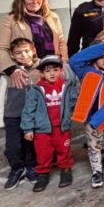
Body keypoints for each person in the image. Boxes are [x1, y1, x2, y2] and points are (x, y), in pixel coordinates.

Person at [69, 41, 104, 189]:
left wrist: (97, 119)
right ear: (94, 58)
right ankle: (97, 172)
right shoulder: (86, 71)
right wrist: (102, 47)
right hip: (90, 121)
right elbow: (74, 60)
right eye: (101, 57)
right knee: (93, 147)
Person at [21, 55, 78, 192]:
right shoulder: (36, 90)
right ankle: (43, 174)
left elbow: (74, 102)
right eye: (47, 70)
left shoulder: (67, 86)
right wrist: (27, 128)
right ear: (41, 73)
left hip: (61, 127)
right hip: (42, 129)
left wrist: (74, 115)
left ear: (61, 71)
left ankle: (65, 170)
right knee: (43, 153)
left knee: (63, 150)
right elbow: (28, 109)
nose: (52, 73)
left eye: (55, 70)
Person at [0, 0, 65, 90]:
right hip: (28, 72)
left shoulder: (52, 17)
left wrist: (63, 60)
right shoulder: (10, 19)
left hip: (52, 69)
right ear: (22, 0)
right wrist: (13, 69)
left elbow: (61, 41)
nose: (34, 1)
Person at [0, 37, 41, 189]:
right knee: (13, 146)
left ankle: (32, 167)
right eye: (18, 53)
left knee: (31, 144)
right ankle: (17, 168)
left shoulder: (42, 70)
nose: (23, 55)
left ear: (33, 51)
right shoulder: (9, 74)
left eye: (26, 51)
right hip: (13, 116)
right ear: (12, 55)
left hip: (34, 117)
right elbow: (0, 97)